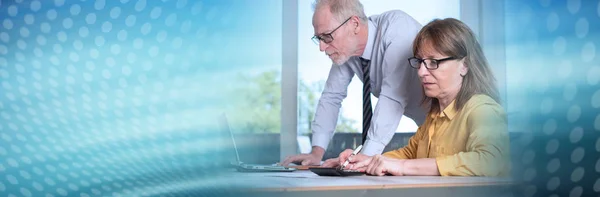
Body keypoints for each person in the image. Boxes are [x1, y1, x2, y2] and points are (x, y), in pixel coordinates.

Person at [340, 18, 510, 176]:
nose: (421, 72)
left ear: (464, 66)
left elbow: (492, 161)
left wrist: (403, 167)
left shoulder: (483, 110)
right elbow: (410, 154)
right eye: (420, 62)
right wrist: (367, 160)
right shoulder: (434, 116)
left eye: (433, 62)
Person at [281, 0, 426, 167]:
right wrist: (316, 153)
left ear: (354, 24)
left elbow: (392, 98)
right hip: (427, 130)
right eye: (319, 38)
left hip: (453, 123)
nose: (321, 47)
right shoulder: (348, 51)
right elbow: (331, 97)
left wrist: (363, 158)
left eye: (327, 36)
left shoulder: (397, 29)